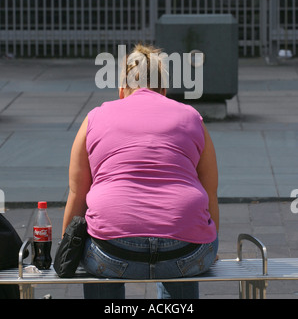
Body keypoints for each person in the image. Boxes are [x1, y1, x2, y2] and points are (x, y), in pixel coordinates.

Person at [62, 43, 219, 299]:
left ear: (122, 90)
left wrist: (65, 247)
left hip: (110, 253)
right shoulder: (191, 117)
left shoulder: (94, 117)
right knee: (183, 253)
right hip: (186, 253)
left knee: (98, 241)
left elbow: (78, 192)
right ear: (164, 91)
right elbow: (210, 191)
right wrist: (208, 243)